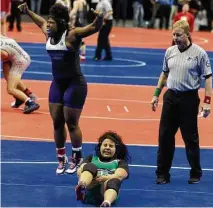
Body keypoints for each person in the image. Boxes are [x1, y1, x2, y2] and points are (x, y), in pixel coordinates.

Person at [18, 2, 103, 174]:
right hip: (57, 83)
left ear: (61, 24)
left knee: (71, 123)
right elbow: (39, 21)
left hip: (75, 83)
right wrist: (28, 11)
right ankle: (61, 158)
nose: (48, 24)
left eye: (52, 22)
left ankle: (77, 158)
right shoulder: (48, 32)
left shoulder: (72, 35)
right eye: (48, 22)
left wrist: (99, 18)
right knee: (57, 121)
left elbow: (94, 28)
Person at [151, 20, 212, 185]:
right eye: (174, 34)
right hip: (171, 97)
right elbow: (164, 74)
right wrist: (156, 94)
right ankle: (162, 173)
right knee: (164, 137)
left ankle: (195, 173)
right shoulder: (169, 51)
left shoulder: (199, 53)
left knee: (190, 138)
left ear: (188, 34)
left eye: (179, 35)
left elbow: (207, 77)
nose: (175, 38)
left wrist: (207, 102)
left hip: (189, 99)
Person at [75, 131, 130, 207]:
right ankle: (82, 187)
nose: (107, 147)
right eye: (105, 145)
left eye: (111, 146)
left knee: (114, 181)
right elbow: (80, 170)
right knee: (90, 166)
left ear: (116, 149)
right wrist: (90, 179)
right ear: (100, 147)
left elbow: (120, 175)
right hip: (90, 189)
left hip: (106, 189)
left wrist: (105, 178)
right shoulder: (91, 158)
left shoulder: (120, 162)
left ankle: (106, 203)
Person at [1, 35, 40, 113]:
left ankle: (30, 102)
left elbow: (4, 55)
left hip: (19, 62)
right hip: (17, 56)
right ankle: (23, 96)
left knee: (11, 89)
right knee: (9, 77)